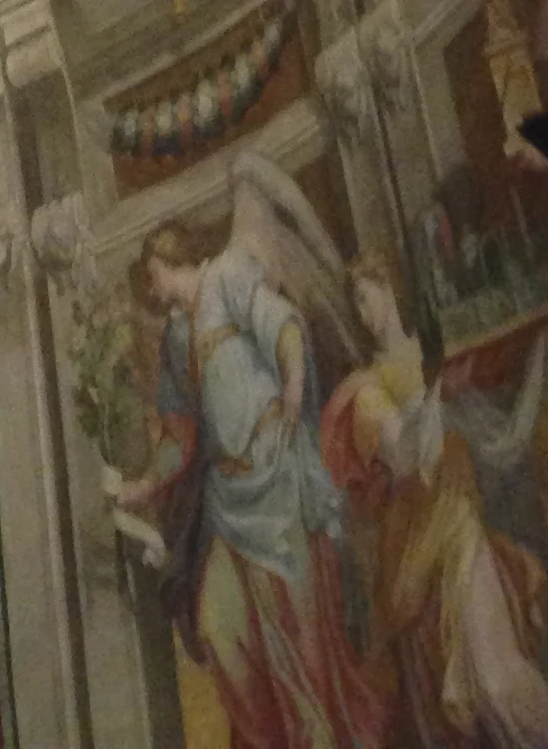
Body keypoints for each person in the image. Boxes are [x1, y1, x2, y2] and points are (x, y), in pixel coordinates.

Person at [115, 226, 385, 749]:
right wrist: (143, 486)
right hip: (227, 498)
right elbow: (181, 435)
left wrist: (293, 386)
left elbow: (281, 325)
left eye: (154, 276)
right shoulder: (175, 338)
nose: (153, 290)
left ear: (172, 260)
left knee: (306, 637)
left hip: (276, 478)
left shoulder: (227, 275)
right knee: (218, 626)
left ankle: (325, 736)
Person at [322, 254, 548, 749]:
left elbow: (484, 422)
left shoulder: (433, 349)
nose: (362, 311)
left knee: (496, 678)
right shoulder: (367, 387)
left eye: (365, 296)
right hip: (416, 537)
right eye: (354, 303)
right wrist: (439, 396)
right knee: (466, 691)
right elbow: (405, 458)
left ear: (388, 286)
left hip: (458, 517)